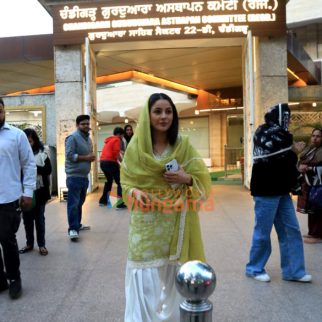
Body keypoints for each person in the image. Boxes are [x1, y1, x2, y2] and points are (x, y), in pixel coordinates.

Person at [121, 93, 211, 321]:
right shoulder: (136, 148)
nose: (164, 116)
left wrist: (186, 178)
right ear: (148, 115)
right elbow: (126, 181)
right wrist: (134, 192)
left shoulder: (183, 145)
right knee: (142, 274)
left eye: (168, 111)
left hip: (176, 222)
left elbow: (202, 180)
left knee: (175, 274)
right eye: (157, 111)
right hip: (145, 223)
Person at [245, 103, 312, 283]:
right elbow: (273, 162)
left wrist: (293, 156)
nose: (289, 121)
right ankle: (254, 268)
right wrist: (294, 152)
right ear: (279, 117)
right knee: (263, 230)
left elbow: (284, 164)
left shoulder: (283, 136)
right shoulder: (264, 133)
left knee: (291, 229)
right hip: (266, 190)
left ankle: (293, 271)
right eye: (287, 117)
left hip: (281, 190)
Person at [0, 97, 36, 299]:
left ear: (4, 111)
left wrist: (28, 192)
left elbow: (29, 164)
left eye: (0, 111)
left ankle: (14, 278)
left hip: (9, 198)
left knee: (7, 239)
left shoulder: (16, 135)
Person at [19, 128, 52, 256]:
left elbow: (48, 170)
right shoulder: (19, 154)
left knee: (39, 220)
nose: (28, 141)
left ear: (34, 140)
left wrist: (31, 168)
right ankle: (29, 244)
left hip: (40, 191)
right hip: (24, 191)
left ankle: (42, 245)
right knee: (27, 220)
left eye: (30, 139)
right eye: (26, 139)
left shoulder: (43, 153)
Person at [65, 114, 95, 241]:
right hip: (74, 176)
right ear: (77, 125)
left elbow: (88, 153)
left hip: (84, 176)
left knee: (80, 202)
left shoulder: (88, 139)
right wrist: (87, 158)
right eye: (83, 124)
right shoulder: (72, 137)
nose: (86, 126)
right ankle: (72, 229)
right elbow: (70, 155)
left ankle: (77, 224)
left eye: (87, 124)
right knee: (73, 203)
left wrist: (91, 157)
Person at [297, 128, 322, 243]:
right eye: (313, 136)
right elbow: (301, 160)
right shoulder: (310, 149)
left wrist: (309, 168)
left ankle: (318, 235)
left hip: (319, 184)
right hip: (309, 183)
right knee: (312, 209)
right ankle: (312, 233)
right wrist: (301, 166)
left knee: (318, 210)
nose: (315, 138)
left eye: (318, 136)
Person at [98, 127, 127, 209]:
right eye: (122, 135)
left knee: (109, 181)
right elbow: (116, 153)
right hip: (110, 162)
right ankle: (120, 204)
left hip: (103, 162)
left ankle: (103, 201)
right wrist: (122, 162)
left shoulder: (109, 140)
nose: (122, 137)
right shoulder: (117, 139)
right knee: (120, 182)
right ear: (120, 134)